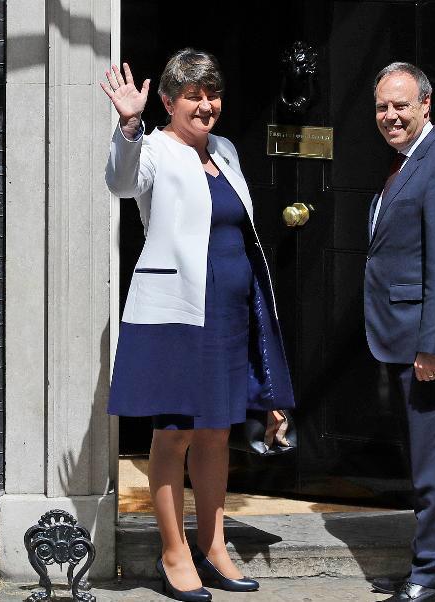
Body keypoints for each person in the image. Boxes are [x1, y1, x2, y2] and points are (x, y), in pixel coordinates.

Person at [101, 49, 294, 602]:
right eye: (193, 95)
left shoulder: (227, 151)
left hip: (231, 312)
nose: (206, 105)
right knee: (176, 431)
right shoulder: (154, 149)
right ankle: (173, 551)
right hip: (179, 310)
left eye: (212, 95)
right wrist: (129, 125)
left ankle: (214, 546)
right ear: (168, 101)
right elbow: (120, 181)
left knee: (217, 429)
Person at [363, 62, 435, 602]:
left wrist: (432, 346)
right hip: (405, 334)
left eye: (401, 106)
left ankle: (433, 575)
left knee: (432, 464)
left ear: (426, 104)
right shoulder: (408, 162)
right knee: (430, 459)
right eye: (383, 106)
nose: (390, 116)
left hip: (425, 341)